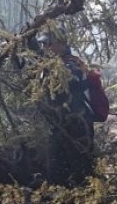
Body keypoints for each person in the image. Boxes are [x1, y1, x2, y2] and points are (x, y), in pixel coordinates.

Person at [32, 30, 95, 185]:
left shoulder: (73, 65)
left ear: (61, 44)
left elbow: (68, 79)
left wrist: (46, 66)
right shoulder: (50, 66)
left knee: (81, 175)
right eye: (42, 44)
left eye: (48, 44)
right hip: (58, 128)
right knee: (56, 175)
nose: (45, 48)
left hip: (78, 126)